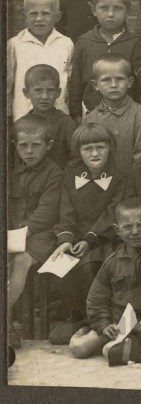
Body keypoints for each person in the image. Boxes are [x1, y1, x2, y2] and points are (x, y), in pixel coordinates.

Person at [49, 123, 129, 343]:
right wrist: (66, 239)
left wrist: (90, 239)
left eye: (100, 147)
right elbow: (66, 210)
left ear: (110, 148)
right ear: (78, 151)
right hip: (75, 235)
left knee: (89, 268)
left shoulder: (119, 175)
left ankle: (98, 319)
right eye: (87, 148)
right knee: (60, 265)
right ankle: (76, 318)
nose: (94, 153)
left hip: (104, 236)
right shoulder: (71, 174)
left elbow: (112, 212)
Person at [69, 197, 141, 365]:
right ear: (117, 230)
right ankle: (92, 331)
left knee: (111, 352)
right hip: (120, 323)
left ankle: (117, 343)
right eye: (128, 227)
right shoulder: (112, 261)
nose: (135, 231)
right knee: (78, 348)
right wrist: (104, 325)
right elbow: (96, 299)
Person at [7, 115, 62, 335]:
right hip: (15, 234)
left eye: (36, 145)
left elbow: (46, 213)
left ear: (48, 146)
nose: (29, 151)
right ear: (15, 146)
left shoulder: (54, 174)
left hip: (42, 235)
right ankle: (9, 324)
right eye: (23, 145)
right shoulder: (12, 173)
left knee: (20, 260)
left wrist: (19, 235)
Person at [69, 0, 141, 121]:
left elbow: (139, 86)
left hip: (128, 117)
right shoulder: (84, 42)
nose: (110, 14)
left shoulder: (135, 43)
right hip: (92, 116)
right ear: (93, 10)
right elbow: (76, 83)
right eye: (104, 8)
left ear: (128, 10)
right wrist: (76, 115)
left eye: (117, 8)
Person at [8, 0, 74, 120]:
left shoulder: (66, 44)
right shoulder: (14, 44)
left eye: (45, 13)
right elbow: (7, 85)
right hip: (23, 118)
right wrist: (8, 117)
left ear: (57, 17)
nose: (39, 19)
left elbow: (71, 83)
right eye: (33, 14)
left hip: (58, 118)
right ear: (25, 17)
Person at [82, 54, 141, 174]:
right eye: (106, 80)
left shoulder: (140, 115)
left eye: (120, 79)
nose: (114, 85)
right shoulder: (91, 118)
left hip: (130, 184)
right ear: (95, 85)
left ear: (130, 82)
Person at [19, 64, 76, 167]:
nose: (45, 97)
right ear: (26, 93)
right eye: (38, 90)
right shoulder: (21, 125)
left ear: (58, 92)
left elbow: (76, 157)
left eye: (50, 90)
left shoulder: (66, 123)